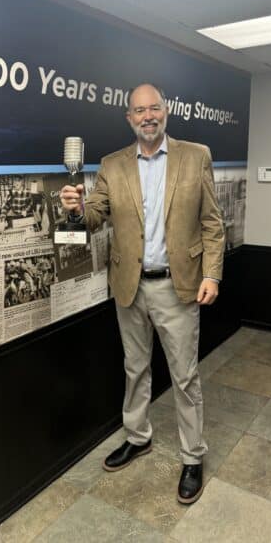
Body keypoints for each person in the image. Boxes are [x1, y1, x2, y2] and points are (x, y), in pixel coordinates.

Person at [60, 83, 224, 504]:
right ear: (129, 118)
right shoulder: (112, 165)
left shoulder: (195, 155)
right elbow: (95, 217)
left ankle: (192, 456)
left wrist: (213, 275)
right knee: (136, 368)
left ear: (165, 111)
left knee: (185, 377)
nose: (148, 115)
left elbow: (212, 223)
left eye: (154, 108)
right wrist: (77, 208)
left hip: (179, 285)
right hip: (129, 287)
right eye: (139, 110)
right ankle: (138, 435)